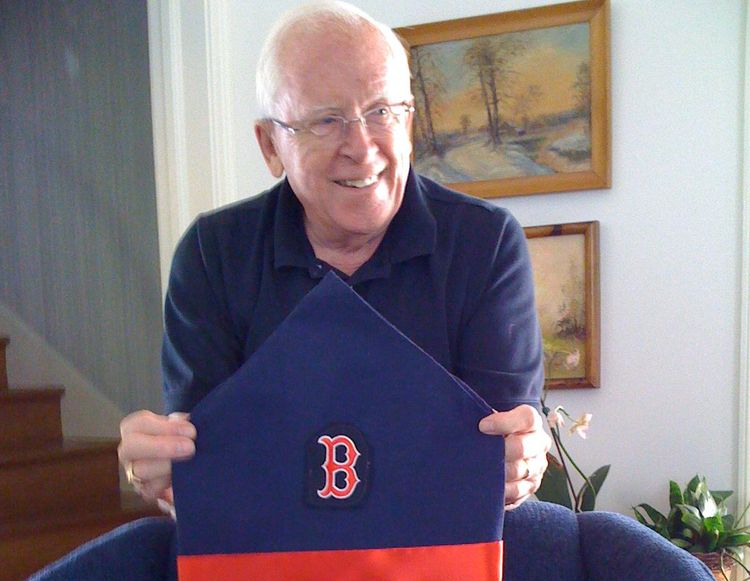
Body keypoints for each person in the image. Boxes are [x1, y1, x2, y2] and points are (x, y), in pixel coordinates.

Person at [118, 0, 549, 509]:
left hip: (439, 561)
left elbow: (492, 466)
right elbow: (207, 469)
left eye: (382, 112)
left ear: (409, 124)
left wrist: (520, 459)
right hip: (275, 561)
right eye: (326, 121)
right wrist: (165, 470)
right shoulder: (212, 255)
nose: (362, 148)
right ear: (270, 147)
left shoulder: (486, 242)